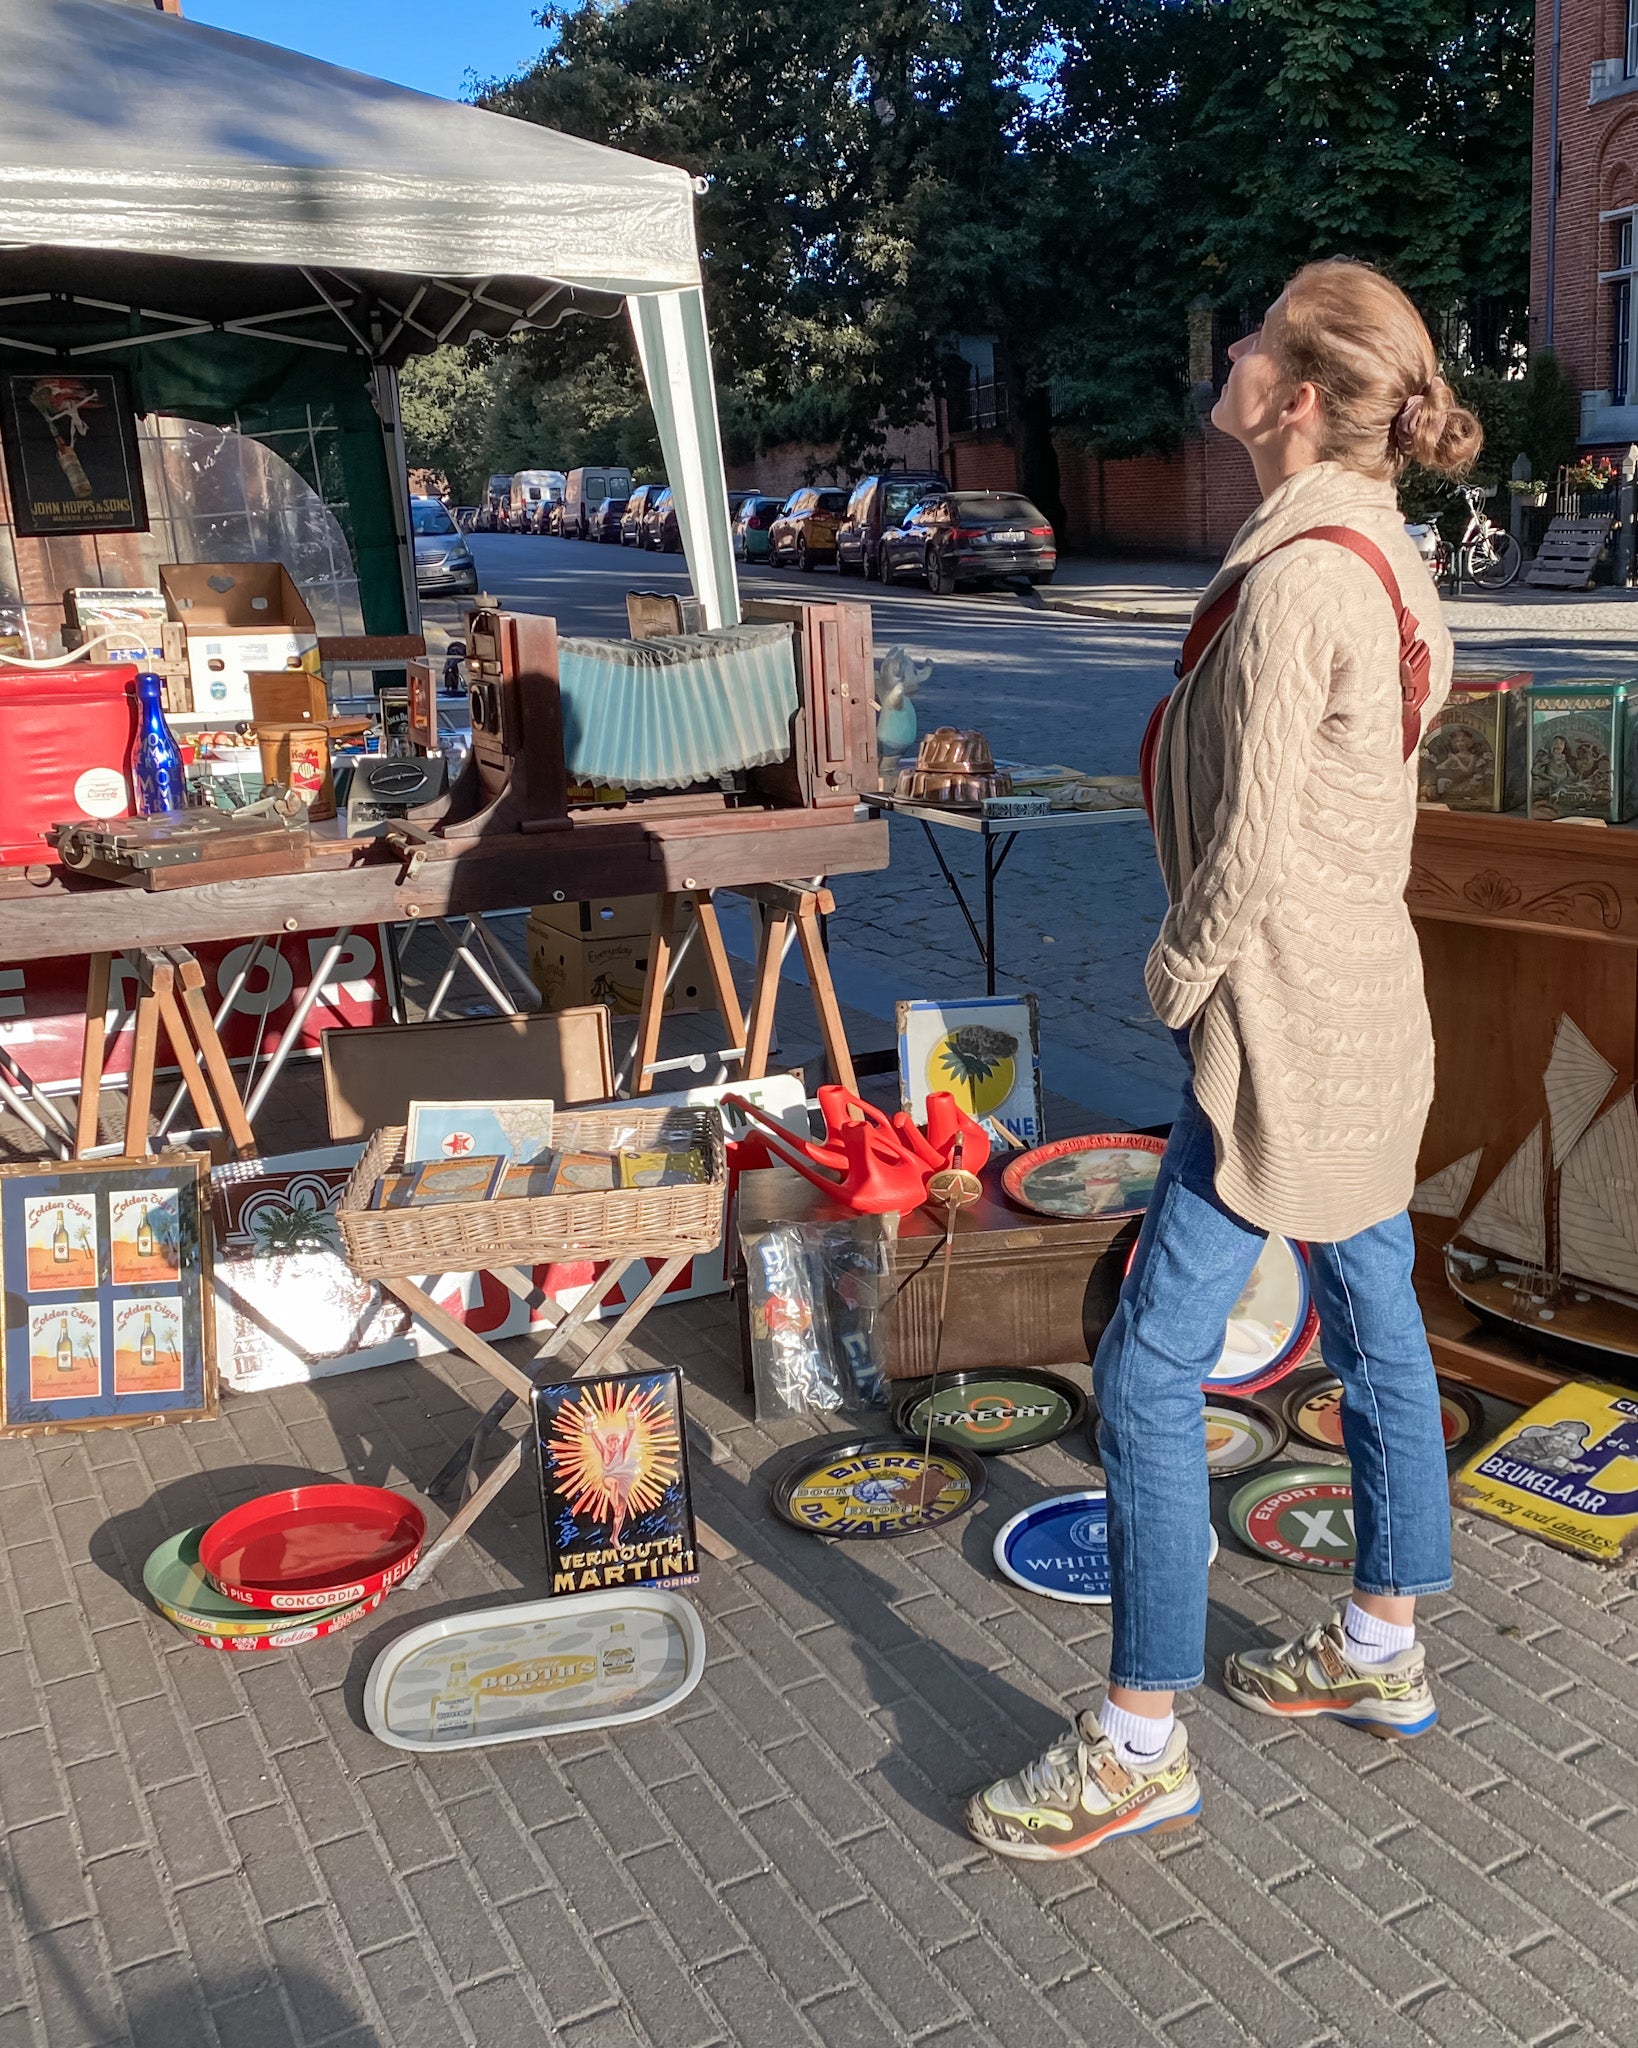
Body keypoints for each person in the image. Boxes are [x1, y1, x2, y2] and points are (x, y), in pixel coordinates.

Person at [967, 258, 1483, 1860]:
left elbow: (1249, 849)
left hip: (1272, 1035)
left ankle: (1137, 1740)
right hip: (1361, 1013)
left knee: (1141, 1369)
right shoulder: (1379, 561)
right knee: (1372, 1323)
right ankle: (1381, 1648)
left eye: (1257, 334)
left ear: (1301, 396)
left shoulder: (1299, 578)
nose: (1233, 350)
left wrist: (1171, 977)